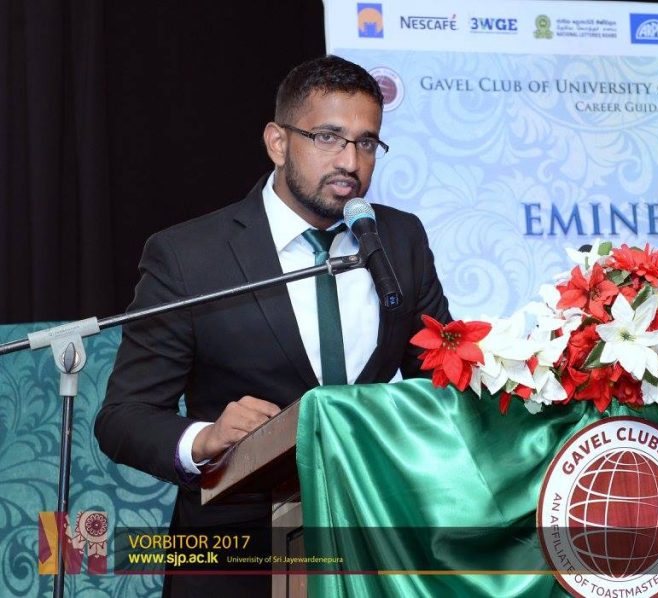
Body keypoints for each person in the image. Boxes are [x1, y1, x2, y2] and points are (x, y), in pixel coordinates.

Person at [94, 55, 451, 597]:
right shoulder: (190, 256)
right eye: (328, 137)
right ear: (277, 142)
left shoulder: (399, 239)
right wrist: (206, 438)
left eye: (366, 143)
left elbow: (441, 377)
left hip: (372, 541)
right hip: (237, 553)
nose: (350, 162)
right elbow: (124, 417)